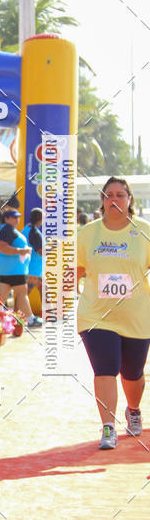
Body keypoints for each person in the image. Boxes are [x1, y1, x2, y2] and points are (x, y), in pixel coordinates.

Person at [77, 176, 150, 449]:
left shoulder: (144, 231)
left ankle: (133, 409)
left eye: (120, 194)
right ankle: (108, 428)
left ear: (130, 200)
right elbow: (76, 270)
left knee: (132, 373)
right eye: (109, 195)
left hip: (137, 316)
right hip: (96, 314)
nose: (114, 199)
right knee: (105, 368)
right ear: (102, 201)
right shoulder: (87, 233)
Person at [0, 208, 34, 324]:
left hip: (7, 269)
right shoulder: (8, 229)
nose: (17, 219)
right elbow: (2, 247)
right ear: (6, 218)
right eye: (14, 217)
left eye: (18, 217)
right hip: (14, 270)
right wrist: (21, 251)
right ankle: (31, 319)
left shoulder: (7, 229)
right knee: (22, 294)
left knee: (1, 297)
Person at [23, 207, 43, 326]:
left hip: (31, 267)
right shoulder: (34, 232)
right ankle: (17, 315)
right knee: (23, 294)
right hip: (33, 269)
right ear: (39, 219)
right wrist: (53, 247)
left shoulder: (27, 228)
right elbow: (40, 251)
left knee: (43, 290)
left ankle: (49, 314)